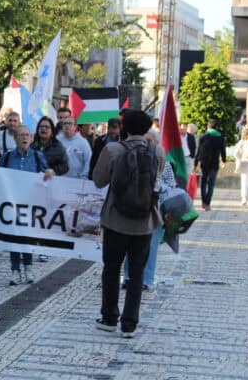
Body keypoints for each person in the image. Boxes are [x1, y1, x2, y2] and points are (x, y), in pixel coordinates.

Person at [92, 110, 164, 339]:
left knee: (111, 269)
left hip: (116, 219)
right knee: (137, 272)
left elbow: (98, 180)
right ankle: (130, 323)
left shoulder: (113, 150)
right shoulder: (157, 150)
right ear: (146, 128)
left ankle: (109, 317)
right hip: (145, 221)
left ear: (125, 127)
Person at [122, 132, 176, 292]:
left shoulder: (164, 164)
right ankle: (128, 277)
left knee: (151, 248)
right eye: (144, 141)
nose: (147, 145)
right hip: (135, 210)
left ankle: (147, 279)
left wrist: (160, 188)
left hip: (156, 212)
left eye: (150, 141)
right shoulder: (133, 161)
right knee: (131, 246)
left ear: (157, 143)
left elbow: (172, 186)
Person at [0, 125, 53, 285]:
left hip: (30, 203)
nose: (24, 138)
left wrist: (50, 173)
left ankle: (28, 267)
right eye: (21, 135)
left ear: (31, 138)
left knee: (27, 237)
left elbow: (47, 174)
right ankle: (15, 270)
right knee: (14, 236)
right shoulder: (8, 157)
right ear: (15, 138)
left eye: (27, 135)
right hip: (12, 203)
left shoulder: (37, 156)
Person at [195, 118, 227, 211]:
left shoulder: (203, 136)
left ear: (208, 126)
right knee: (211, 184)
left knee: (204, 182)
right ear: (216, 127)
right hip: (214, 163)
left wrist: (196, 162)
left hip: (204, 162)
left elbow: (199, 151)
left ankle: (203, 202)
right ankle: (208, 203)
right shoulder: (220, 137)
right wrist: (223, 160)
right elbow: (223, 150)